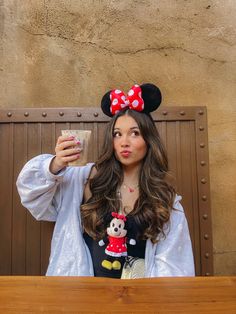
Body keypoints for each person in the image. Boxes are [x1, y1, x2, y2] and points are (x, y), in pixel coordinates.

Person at [16, 83, 195, 277]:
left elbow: (173, 268)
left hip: (139, 300)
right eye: (117, 134)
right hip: (84, 299)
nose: (124, 142)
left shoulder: (163, 197)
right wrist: (55, 165)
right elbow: (30, 193)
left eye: (134, 133)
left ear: (149, 141)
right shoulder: (84, 178)